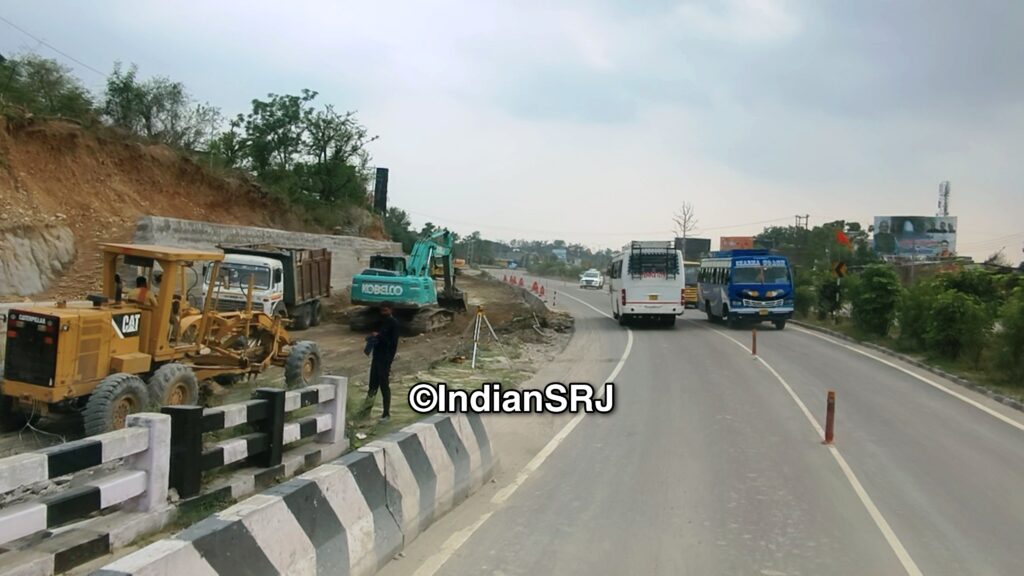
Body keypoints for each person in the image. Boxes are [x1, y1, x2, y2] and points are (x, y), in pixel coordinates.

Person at [360, 303, 400, 422]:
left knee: (384, 386)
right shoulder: (380, 322)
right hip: (376, 357)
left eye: (386, 310)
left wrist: (379, 336)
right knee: (372, 386)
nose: (383, 313)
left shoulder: (394, 324)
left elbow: (392, 343)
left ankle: (386, 413)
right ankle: (366, 412)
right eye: (382, 310)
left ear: (391, 310)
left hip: (385, 359)